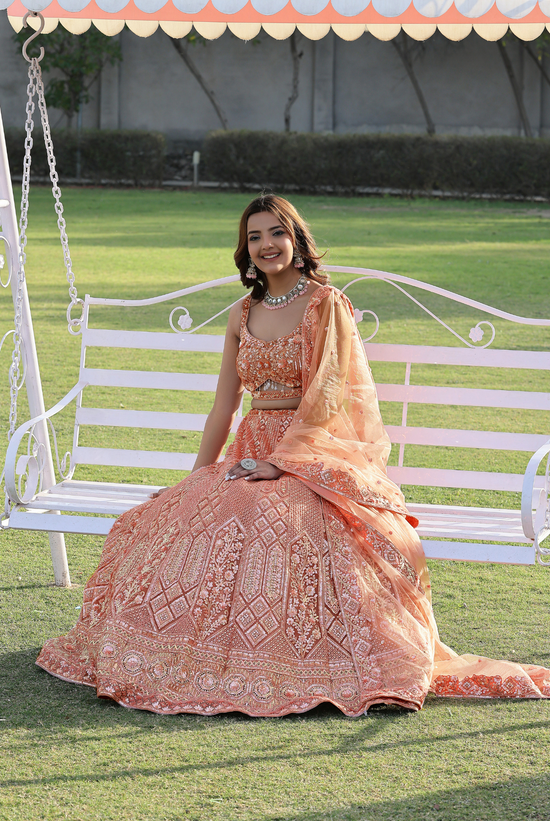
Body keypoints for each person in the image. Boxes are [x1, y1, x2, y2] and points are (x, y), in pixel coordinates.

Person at [37, 195, 550, 716]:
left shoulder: (326, 304)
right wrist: (192, 481)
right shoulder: (243, 313)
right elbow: (223, 407)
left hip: (316, 450)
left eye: (275, 233)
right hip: (250, 444)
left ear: (297, 240)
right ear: (245, 250)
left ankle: (297, 661)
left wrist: (282, 462)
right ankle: (204, 659)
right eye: (254, 237)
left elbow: (329, 394)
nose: (265, 245)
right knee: (191, 516)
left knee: (272, 515)